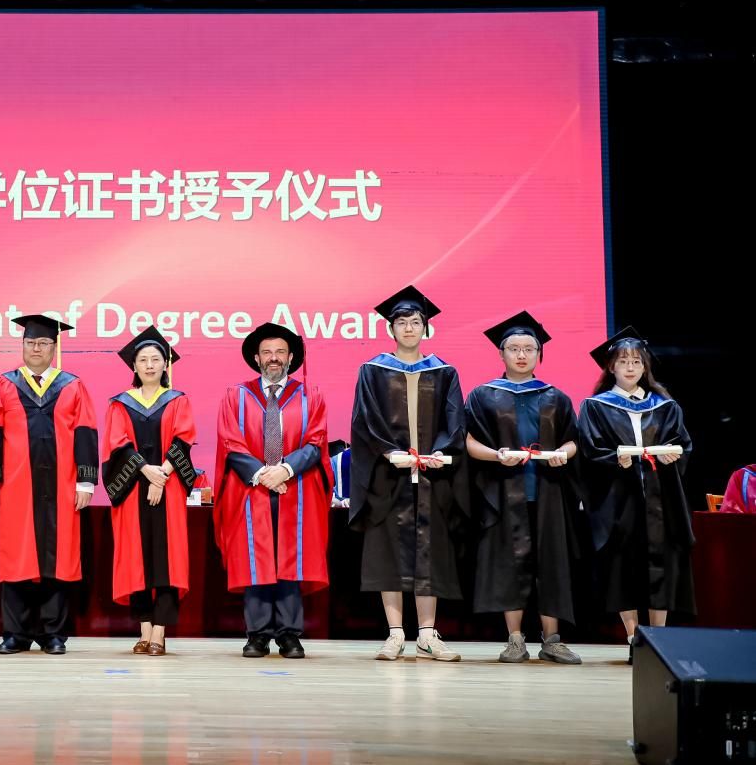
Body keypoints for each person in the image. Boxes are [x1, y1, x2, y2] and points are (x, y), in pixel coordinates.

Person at [350, 285, 467, 662]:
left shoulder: (444, 371)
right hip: (389, 475)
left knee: (430, 553)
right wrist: (390, 452)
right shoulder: (372, 370)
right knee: (389, 554)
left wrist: (442, 451)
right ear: (391, 329)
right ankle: (395, 634)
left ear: (425, 327)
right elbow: (365, 420)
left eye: (415, 322)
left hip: (432, 477)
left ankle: (428, 635)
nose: (409, 328)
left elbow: (455, 419)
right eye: (401, 322)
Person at [464, 311, 583, 665]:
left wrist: (562, 453)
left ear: (539, 354)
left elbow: (573, 440)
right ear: (500, 353)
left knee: (551, 564)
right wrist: (496, 455)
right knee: (509, 565)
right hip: (504, 493)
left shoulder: (556, 397)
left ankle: (552, 640)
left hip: (548, 493)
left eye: (529, 349)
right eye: (513, 348)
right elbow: (467, 441)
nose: (521, 355)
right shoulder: (483, 395)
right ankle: (515, 639)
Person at [213, 322, 333, 660]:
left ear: (291, 356)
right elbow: (230, 441)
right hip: (252, 489)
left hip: (296, 487)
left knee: (290, 561)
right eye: (267, 352)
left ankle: (290, 635)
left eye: (280, 351)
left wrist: (285, 469)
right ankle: (258, 635)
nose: (274, 357)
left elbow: (316, 441)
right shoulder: (236, 395)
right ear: (256, 358)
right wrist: (262, 474)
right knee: (257, 560)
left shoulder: (311, 395)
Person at [0, 313, 99, 655]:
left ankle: (53, 633)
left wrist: (86, 481)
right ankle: (15, 634)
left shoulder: (72, 386)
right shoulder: (4, 384)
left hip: (62, 486)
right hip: (16, 486)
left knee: (57, 556)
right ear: (22, 345)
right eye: (30, 342)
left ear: (54, 347)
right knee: (16, 555)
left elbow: (86, 433)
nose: (36, 348)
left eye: (44, 342)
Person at [578, 326, 693, 661]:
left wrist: (674, 457)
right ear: (610, 366)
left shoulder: (665, 406)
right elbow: (589, 450)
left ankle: (659, 639)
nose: (630, 367)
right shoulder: (596, 406)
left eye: (636, 361)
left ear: (645, 366)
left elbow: (683, 445)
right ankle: (633, 638)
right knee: (622, 568)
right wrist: (615, 459)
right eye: (622, 361)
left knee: (661, 565)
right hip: (618, 499)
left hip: (660, 499)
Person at [102, 326, 197, 657]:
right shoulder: (120, 404)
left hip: (169, 489)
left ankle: (160, 632)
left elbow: (183, 440)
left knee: (166, 560)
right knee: (137, 560)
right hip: (133, 489)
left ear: (165, 364)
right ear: (134, 365)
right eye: (143, 360)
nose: (150, 365)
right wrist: (147, 473)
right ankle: (144, 631)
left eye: (156, 359)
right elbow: (118, 444)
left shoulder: (178, 400)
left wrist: (162, 476)